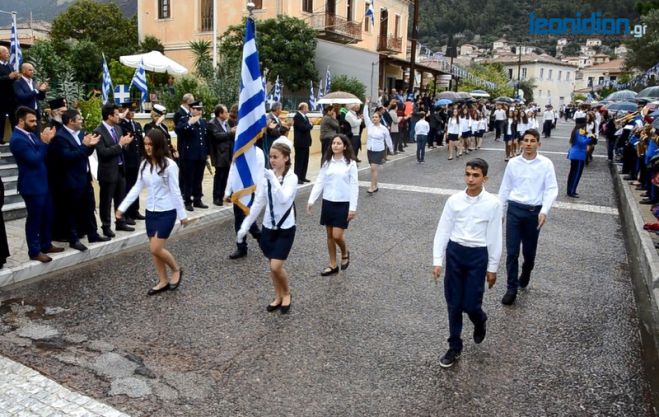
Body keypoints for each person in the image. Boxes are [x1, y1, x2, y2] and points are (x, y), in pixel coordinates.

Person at [432, 157, 502, 368]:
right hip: (455, 253)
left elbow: (495, 236)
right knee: (454, 304)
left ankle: (479, 319)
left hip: (477, 256)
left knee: (471, 304)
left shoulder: (493, 204)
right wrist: (438, 260)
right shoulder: (454, 201)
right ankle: (454, 345)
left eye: (475, 175)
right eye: (467, 174)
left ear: (485, 178)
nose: (470, 179)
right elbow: (443, 229)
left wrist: (492, 268)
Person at [117, 128, 189, 295]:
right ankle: (163, 280)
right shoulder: (144, 164)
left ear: (158, 145)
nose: (148, 147)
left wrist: (182, 215)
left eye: (151, 144)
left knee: (156, 248)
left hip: (167, 211)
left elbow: (176, 191)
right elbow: (137, 188)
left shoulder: (170, 165)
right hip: (151, 211)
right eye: (145, 144)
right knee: (154, 249)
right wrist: (122, 207)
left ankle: (176, 270)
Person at [498, 128, 558, 305]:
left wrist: (544, 210)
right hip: (515, 210)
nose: (529, 144)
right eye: (526, 140)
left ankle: (527, 269)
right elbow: (505, 188)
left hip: (534, 212)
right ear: (521, 143)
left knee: (529, 253)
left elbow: (551, 188)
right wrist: (500, 212)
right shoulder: (513, 163)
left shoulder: (546, 164)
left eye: (533, 141)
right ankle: (511, 288)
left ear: (538, 144)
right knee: (512, 252)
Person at [237, 139, 297, 314]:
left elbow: (284, 199)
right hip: (269, 227)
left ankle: (286, 293)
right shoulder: (266, 178)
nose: (272, 160)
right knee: (272, 264)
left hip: (285, 227)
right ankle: (277, 296)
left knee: (276, 266)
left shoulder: (292, 178)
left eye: (276, 157)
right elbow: (258, 203)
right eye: (270, 157)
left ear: (286, 158)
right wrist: (245, 225)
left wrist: (273, 179)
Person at [49, 109, 109, 251]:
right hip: (70, 181)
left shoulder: (81, 133)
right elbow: (68, 157)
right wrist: (85, 146)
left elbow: (84, 153)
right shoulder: (60, 137)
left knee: (89, 207)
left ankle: (93, 234)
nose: (82, 120)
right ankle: (73, 239)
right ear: (71, 121)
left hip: (84, 178)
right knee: (71, 211)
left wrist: (91, 146)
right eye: (79, 118)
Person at [9, 106, 64, 262]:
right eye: (31, 121)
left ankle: (46, 244)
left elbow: (41, 154)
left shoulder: (30, 135)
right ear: (21, 120)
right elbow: (34, 159)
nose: (35, 124)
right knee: (35, 218)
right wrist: (45, 142)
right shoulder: (17, 139)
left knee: (48, 214)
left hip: (43, 183)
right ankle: (34, 251)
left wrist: (45, 142)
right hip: (31, 186)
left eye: (35, 120)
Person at [307, 134, 358, 276]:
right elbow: (320, 181)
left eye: (339, 143)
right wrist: (312, 199)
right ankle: (332, 264)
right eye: (333, 143)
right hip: (328, 201)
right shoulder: (327, 162)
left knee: (337, 235)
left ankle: (345, 252)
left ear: (345, 146)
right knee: (329, 235)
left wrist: (352, 208)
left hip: (343, 203)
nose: (335, 145)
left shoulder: (350, 164)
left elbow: (354, 186)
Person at [94, 103, 135, 238]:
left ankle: (120, 221)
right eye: (116, 114)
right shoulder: (98, 131)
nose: (119, 116)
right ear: (109, 116)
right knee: (106, 201)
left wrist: (126, 144)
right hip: (107, 172)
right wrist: (120, 145)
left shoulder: (117, 128)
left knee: (120, 197)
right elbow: (103, 153)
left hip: (120, 169)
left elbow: (122, 148)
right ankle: (106, 226)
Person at [225, 146, 264, 260]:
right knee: (238, 219)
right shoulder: (238, 150)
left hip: (251, 190)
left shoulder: (258, 153)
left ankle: (260, 236)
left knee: (249, 218)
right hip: (238, 191)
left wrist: (258, 194)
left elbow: (260, 174)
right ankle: (241, 247)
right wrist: (228, 191)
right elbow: (232, 171)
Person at [175, 100, 209, 211]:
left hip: (200, 155)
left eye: (200, 109)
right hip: (189, 155)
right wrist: (190, 123)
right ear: (191, 109)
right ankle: (187, 201)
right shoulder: (184, 120)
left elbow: (204, 139)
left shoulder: (203, 122)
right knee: (188, 179)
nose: (199, 111)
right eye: (197, 109)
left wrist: (206, 153)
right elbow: (179, 130)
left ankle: (197, 199)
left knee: (198, 178)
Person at [119, 101, 145, 223]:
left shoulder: (137, 124)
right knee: (128, 188)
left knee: (136, 186)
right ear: (124, 111)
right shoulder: (121, 125)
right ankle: (128, 213)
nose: (132, 113)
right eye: (129, 110)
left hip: (136, 160)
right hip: (127, 161)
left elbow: (140, 143)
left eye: (133, 111)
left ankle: (135, 210)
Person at [363, 98, 394, 194]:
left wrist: (391, 149)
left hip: (379, 150)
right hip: (370, 150)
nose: (374, 119)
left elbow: (388, 139)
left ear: (380, 119)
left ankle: (372, 187)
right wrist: (366, 104)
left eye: (376, 117)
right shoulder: (369, 125)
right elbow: (365, 115)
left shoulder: (383, 129)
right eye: (373, 117)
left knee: (373, 168)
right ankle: (375, 186)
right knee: (373, 169)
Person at [207, 104, 235, 205]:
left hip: (228, 154)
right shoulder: (212, 123)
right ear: (220, 113)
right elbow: (217, 136)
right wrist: (230, 133)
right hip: (219, 154)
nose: (227, 114)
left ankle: (223, 195)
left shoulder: (226, 123)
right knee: (219, 176)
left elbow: (229, 136)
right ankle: (216, 197)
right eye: (226, 112)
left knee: (226, 176)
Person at [566, 118, 592, 198]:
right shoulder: (579, 131)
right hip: (578, 155)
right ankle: (572, 191)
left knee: (572, 173)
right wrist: (590, 138)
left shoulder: (576, 130)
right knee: (576, 174)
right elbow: (582, 142)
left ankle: (570, 190)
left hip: (575, 154)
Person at [0, 46, 20, 142]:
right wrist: (8, 77)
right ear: (0, 54)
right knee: (1, 119)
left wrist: (16, 77)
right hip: (1, 98)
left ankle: (16, 139)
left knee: (14, 119)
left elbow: (12, 80)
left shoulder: (10, 66)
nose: (8, 54)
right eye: (6, 52)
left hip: (12, 98)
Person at [293, 102, 313, 184]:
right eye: (307, 107)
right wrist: (311, 125)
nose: (308, 109)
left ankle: (303, 176)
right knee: (299, 161)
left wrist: (310, 125)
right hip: (300, 142)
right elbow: (303, 127)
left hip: (306, 142)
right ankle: (297, 177)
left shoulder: (305, 117)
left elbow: (307, 127)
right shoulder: (297, 116)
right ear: (303, 108)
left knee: (305, 160)